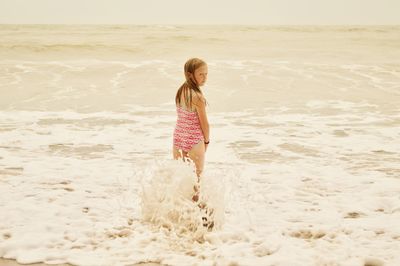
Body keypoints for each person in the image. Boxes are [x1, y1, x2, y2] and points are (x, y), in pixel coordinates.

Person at [172, 58, 210, 201]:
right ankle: (196, 216)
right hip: (194, 140)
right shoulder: (197, 96)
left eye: (206, 74)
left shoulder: (180, 91)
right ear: (190, 74)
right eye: (201, 74)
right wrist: (206, 141)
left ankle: (179, 210)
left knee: (181, 179)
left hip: (178, 138)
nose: (205, 78)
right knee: (196, 181)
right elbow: (204, 124)